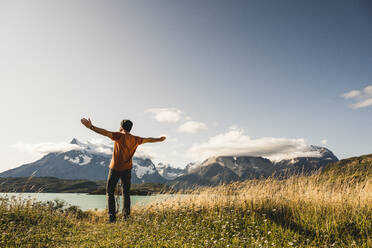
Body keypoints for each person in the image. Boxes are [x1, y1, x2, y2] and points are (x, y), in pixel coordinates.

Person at [80, 118, 166, 222]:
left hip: (115, 168)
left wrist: (91, 127)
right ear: (130, 128)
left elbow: (105, 132)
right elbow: (148, 139)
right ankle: (126, 217)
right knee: (126, 193)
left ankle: (112, 218)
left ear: (121, 127)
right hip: (127, 169)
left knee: (110, 192)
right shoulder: (136, 139)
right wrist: (159, 139)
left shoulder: (119, 136)